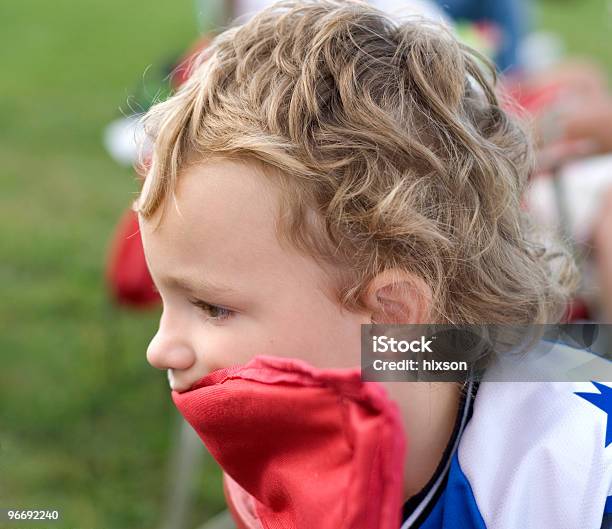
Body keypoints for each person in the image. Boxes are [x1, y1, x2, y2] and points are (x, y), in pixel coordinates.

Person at [133, 1, 612, 527]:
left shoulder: (574, 483)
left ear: (394, 315)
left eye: (211, 307)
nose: (161, 349)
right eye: (168, 300)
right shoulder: (282, 444)